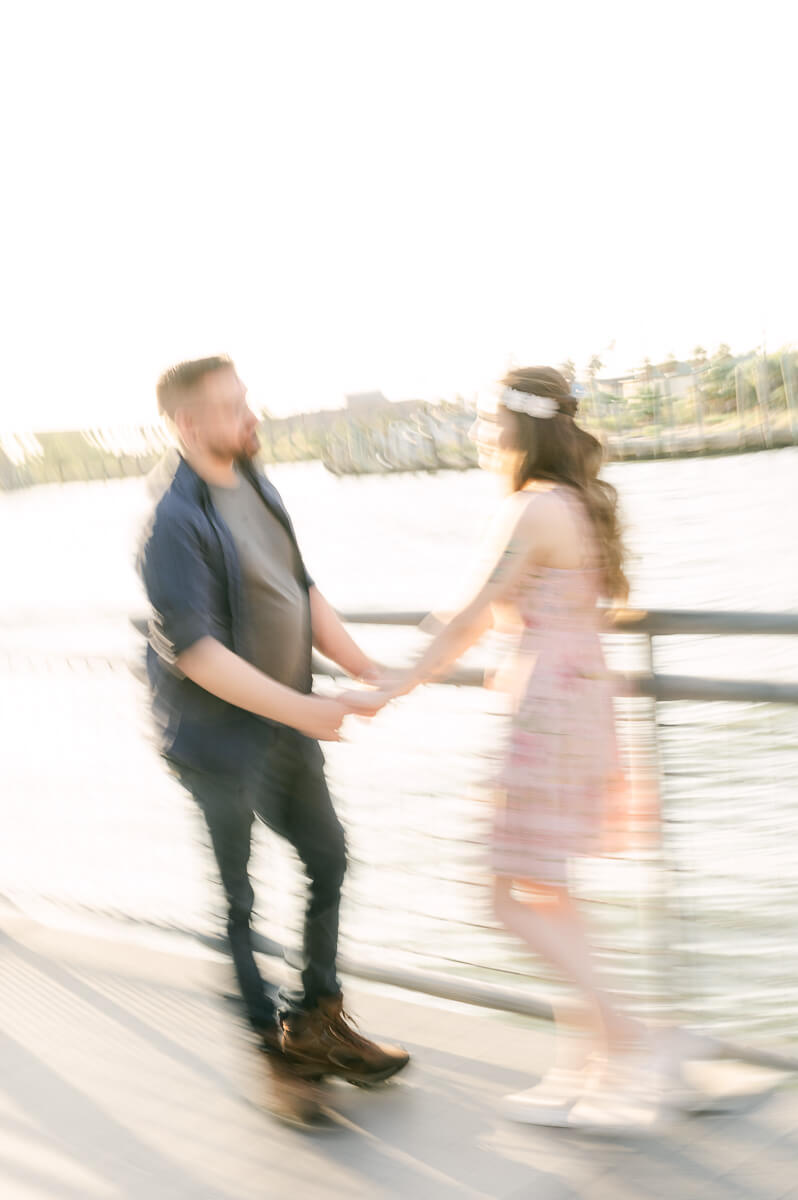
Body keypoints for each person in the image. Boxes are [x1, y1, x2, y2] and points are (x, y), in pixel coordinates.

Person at [361, 366, 662, 1130]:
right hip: (580, 700)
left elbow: (466, 616)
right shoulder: (575, 503)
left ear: (519, 429)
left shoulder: (531, 509)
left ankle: (629, 1037)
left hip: (549, 715)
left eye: (489, 421)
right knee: (550, 891)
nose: (483, 434)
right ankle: (588, 1061)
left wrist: (388, 685)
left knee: (501, 895)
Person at [138, 355, 409, 1125]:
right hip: (218, 745)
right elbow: (198, 654)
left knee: (328, 856)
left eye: (245, 400)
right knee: (239, 904)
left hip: (288, 725)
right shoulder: (171, 524)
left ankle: (317, 1018)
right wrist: (304, 709)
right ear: (189, 424)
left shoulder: (257, 482)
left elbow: (302, 588)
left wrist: (365, 666)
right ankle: (277, 1056)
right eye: (231, 407)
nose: (250, 416)